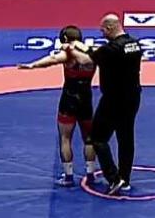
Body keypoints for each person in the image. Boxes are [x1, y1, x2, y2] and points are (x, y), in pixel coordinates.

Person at [70, 14, 143, 196]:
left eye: (103, 30)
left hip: (113, 99)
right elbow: (96, 52)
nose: (102, 34)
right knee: (126, 137)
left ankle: (113, 178)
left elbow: (85, 60)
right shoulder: (135, 44)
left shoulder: (110, 49)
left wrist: (70, 48)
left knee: (97, 138)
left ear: (110, 28)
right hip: (133, 97)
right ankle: (125, 179)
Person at [18, 25, 100, 186]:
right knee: (89, 139)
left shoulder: (68, 54)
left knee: (65, 138)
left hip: (68, 100)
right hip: (86, 99)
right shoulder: (94, 53)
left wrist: (32, 65)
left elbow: (52, 60)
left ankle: (68, 177)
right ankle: (90, 174)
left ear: (65, 39)